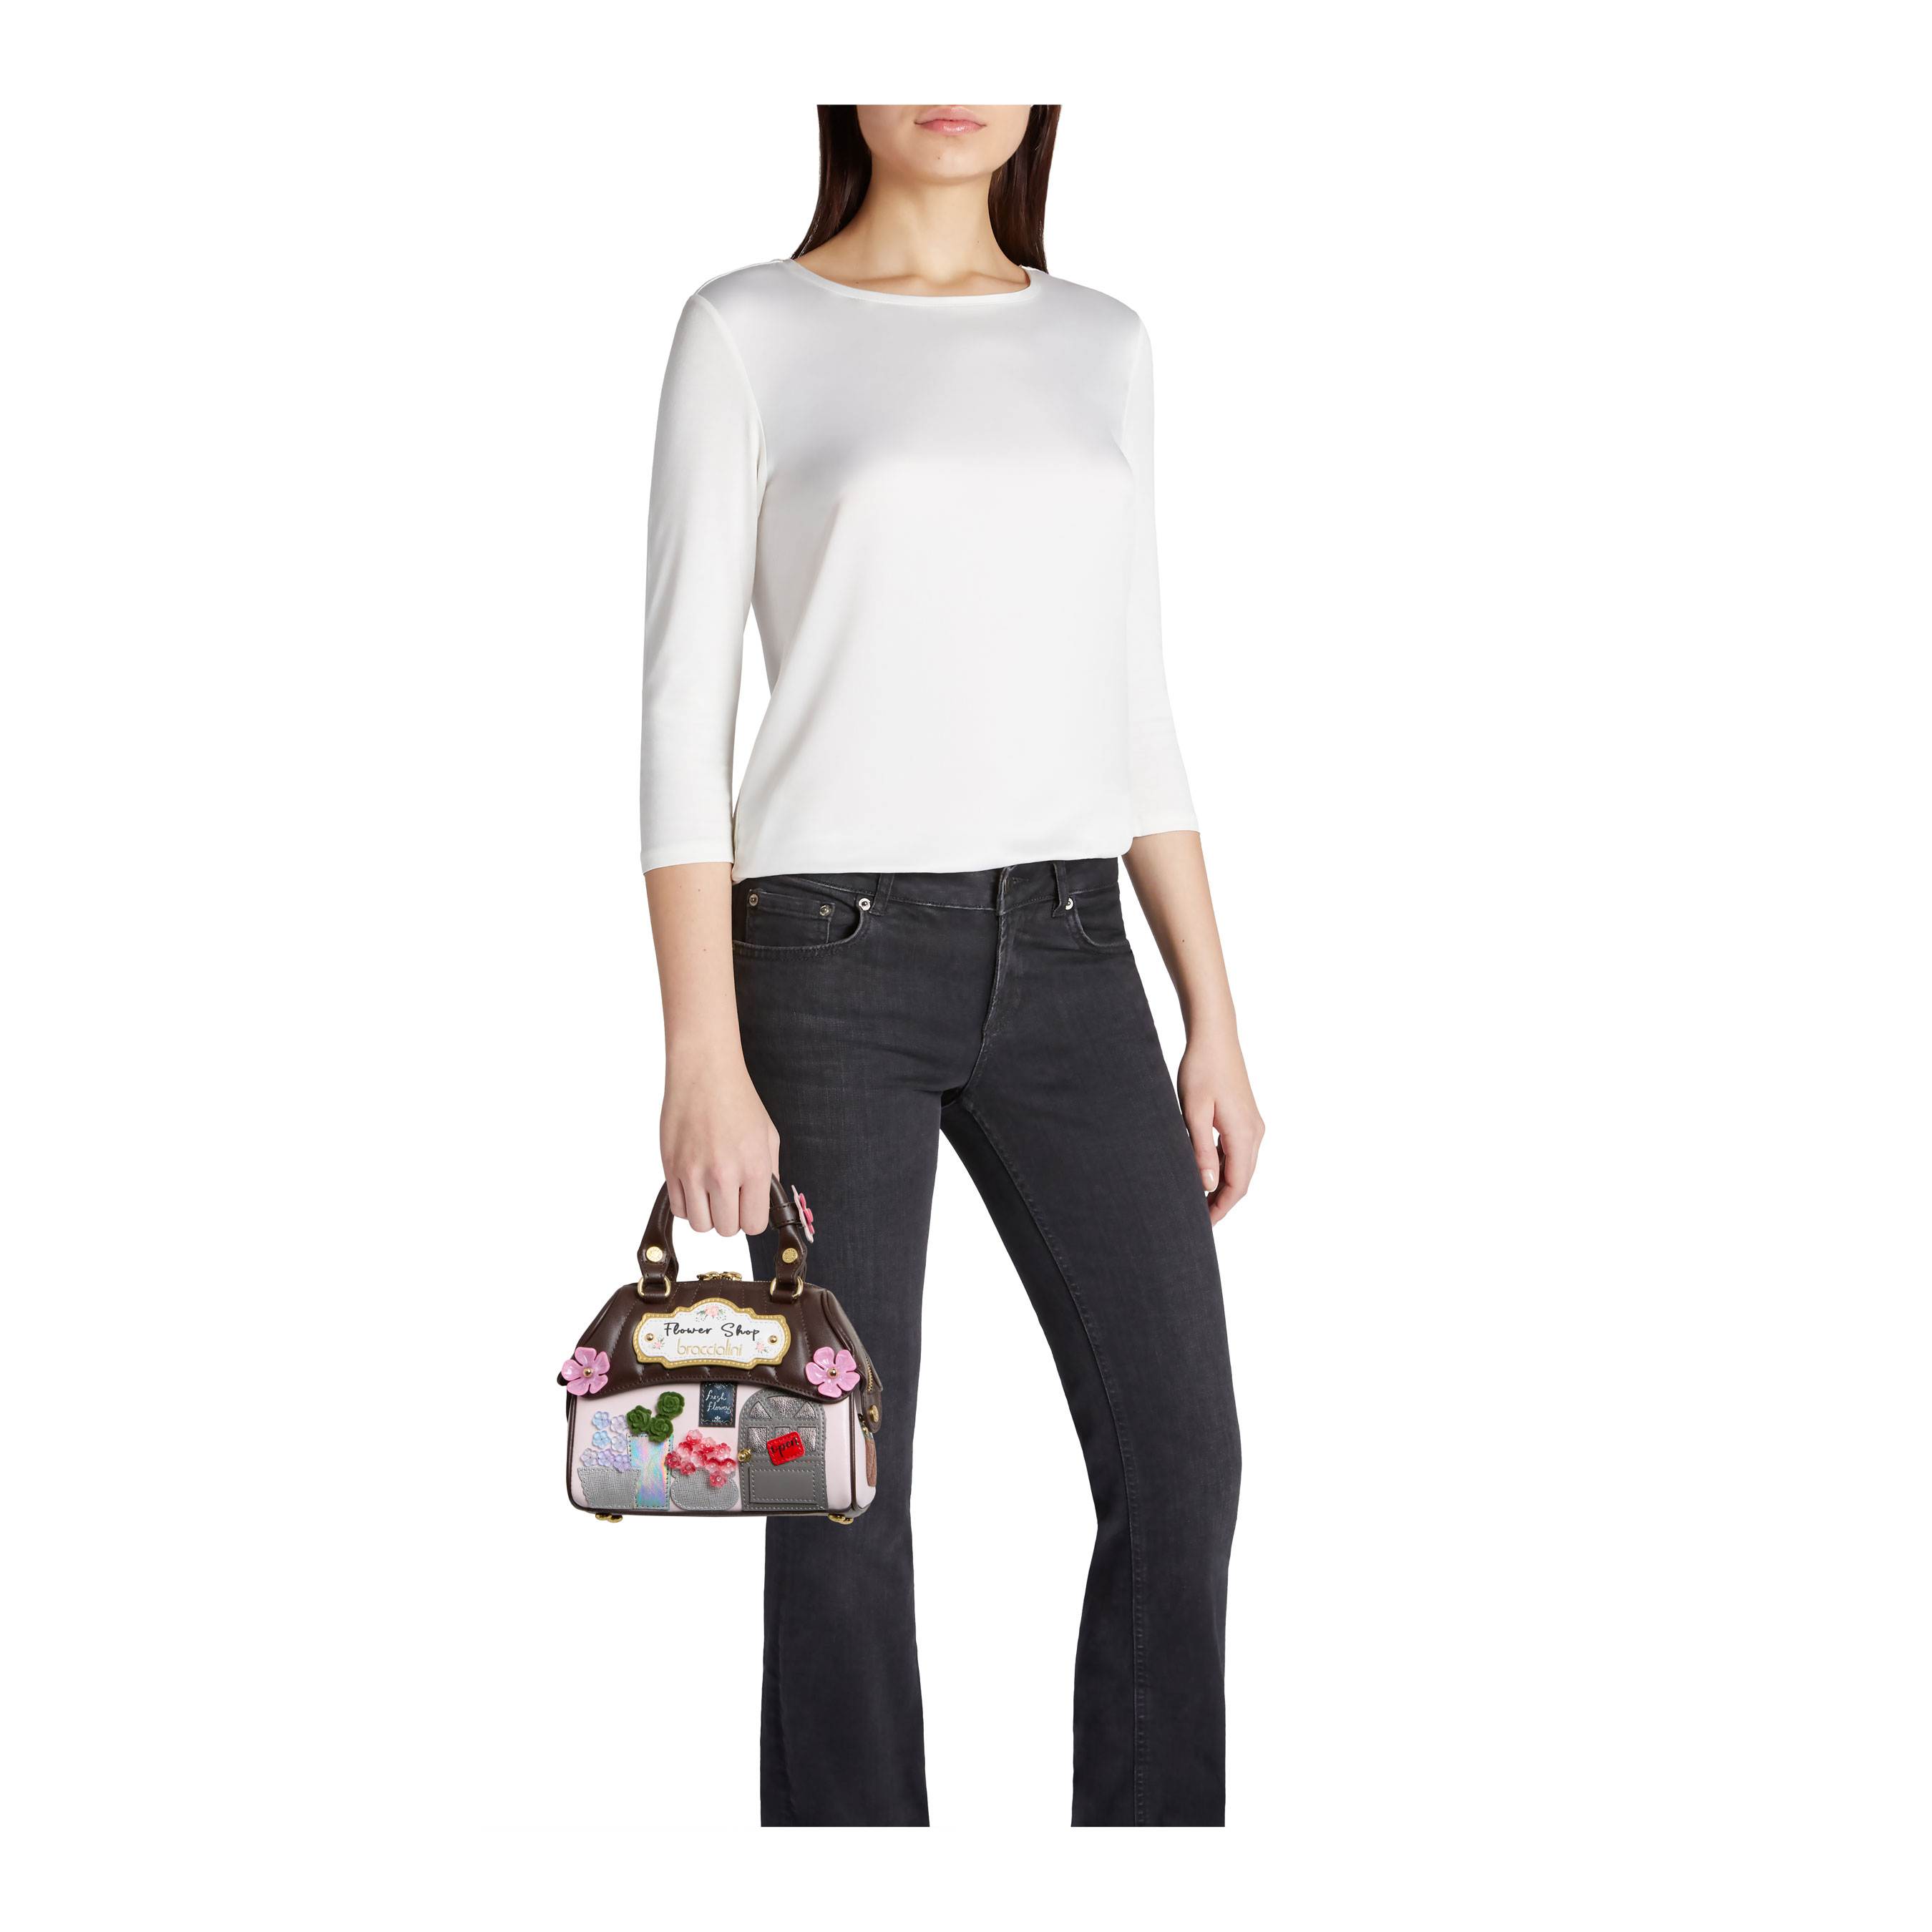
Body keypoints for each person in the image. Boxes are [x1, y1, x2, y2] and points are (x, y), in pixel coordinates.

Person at [640, 104, 1262, 1826]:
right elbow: (684, 714)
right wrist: (701, 1049)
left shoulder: (1102, 344)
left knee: (1185, 1457)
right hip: (823, 962)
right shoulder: (747, 331)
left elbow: (1132, 699)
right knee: (839, 1488)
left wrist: (1211, 1015)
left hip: (1073, 950)